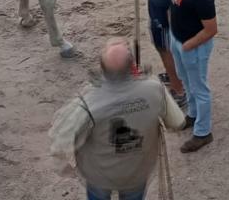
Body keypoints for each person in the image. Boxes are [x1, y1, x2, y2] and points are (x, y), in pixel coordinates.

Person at [49, 36, 186, 200]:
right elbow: (178, 122)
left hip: (99, 176)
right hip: (136, 173)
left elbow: (61, 140)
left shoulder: (89, 100)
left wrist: (67, 169)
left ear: (101, 68)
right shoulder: (154, 89)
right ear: (133, 65)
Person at [169, 0, 218, 153]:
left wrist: (189, 45)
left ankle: (202, 132)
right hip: (178, 38)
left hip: (193, 46)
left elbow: (211, 29)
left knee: (199, 87)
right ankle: (193, 114)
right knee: (187, 80)